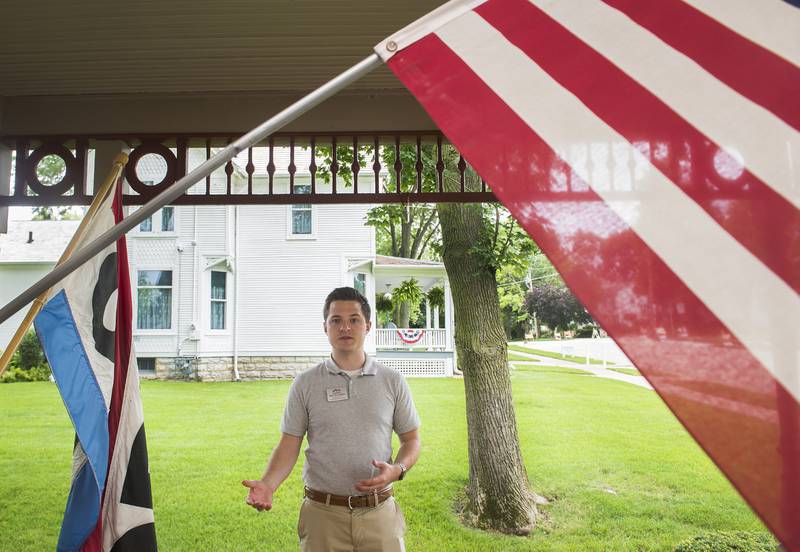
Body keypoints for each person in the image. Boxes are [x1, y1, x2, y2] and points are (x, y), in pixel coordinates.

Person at [242, 287, 421, 552]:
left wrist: (399, 469)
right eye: (336, 320)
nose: (345, 327)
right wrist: (268, 485)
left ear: (368, 326)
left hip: (379, 514)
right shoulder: (305, 383)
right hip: (322, 516)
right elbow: (289, 444)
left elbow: (411, 439)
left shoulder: (392, 381)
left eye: (354, 319)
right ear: (325, 327)